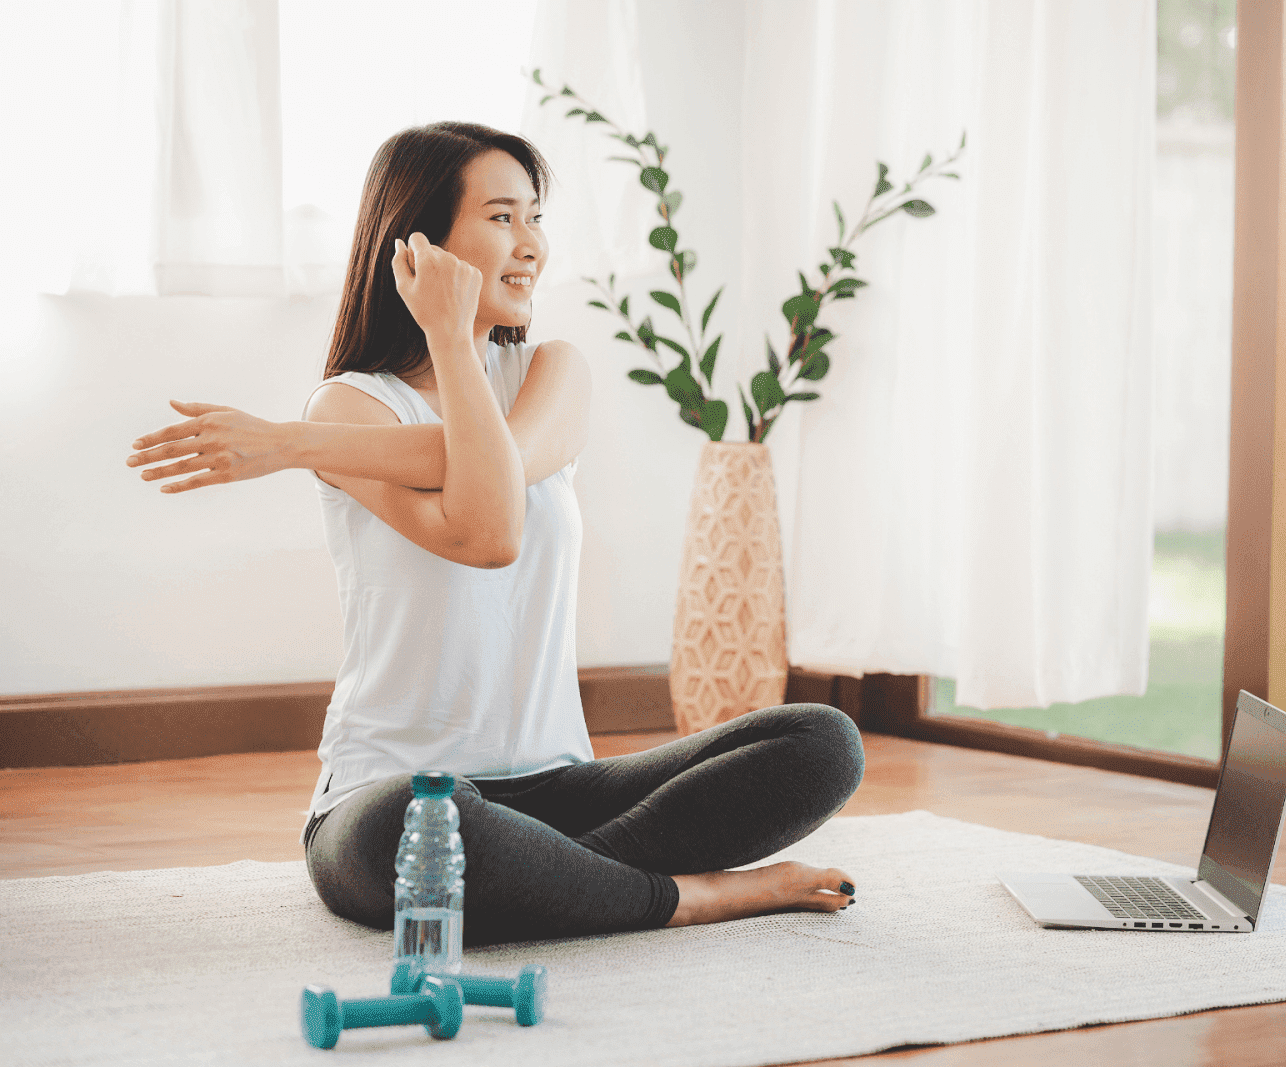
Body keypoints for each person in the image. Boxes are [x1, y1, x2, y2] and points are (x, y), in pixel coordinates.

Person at [125, 121, 865, 944]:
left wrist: (289, 445)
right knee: (420, 828)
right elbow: (487, 531)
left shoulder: (553, 372)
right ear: (419, 246)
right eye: (503, 217)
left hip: (558, 784)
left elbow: (492, 482)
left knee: (820, 740)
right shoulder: (350, 406)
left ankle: (557, 880)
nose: (532, 246)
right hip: (393, 792)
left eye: (536, 217)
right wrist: (432, 340)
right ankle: (694, 895)